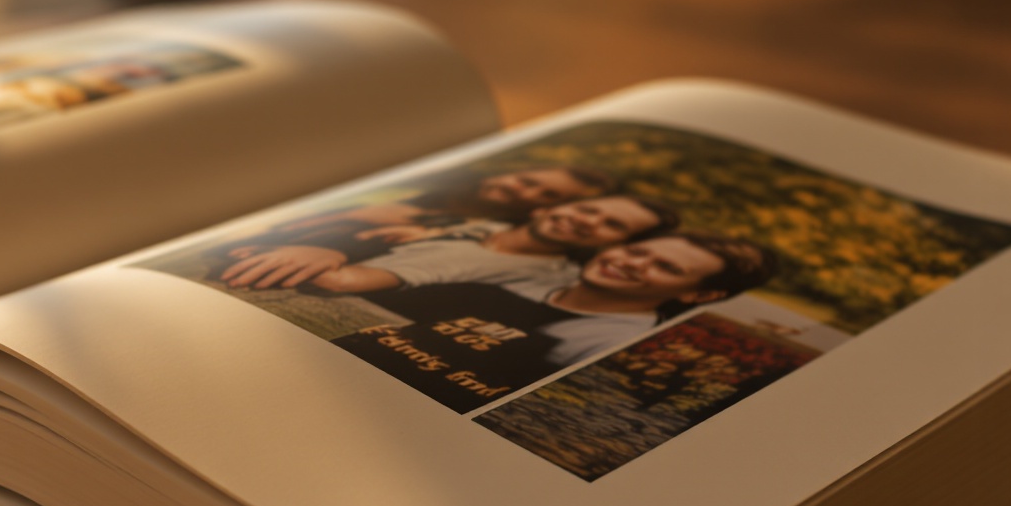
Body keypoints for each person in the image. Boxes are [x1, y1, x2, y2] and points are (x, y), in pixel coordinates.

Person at [330, 231, 775, 412]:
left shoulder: (609, 345)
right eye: (637, 250)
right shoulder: (513, 286)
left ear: (699, 295)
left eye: (666, 268)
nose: (632, 263)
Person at [215, 165, 615, 290]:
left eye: (544, 195)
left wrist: (340, 243)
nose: (517, 190)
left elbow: (386, 250)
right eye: (526, 178)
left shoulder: (471, 228)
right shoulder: (427, 183)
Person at [297, 194, 674, 297]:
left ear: (617, 246)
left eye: (612, 225)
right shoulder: (481, 226)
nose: (587, 220)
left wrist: (332, 252)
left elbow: (342, 282)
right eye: (587, 209)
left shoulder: (536, 272)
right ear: (550, 207)